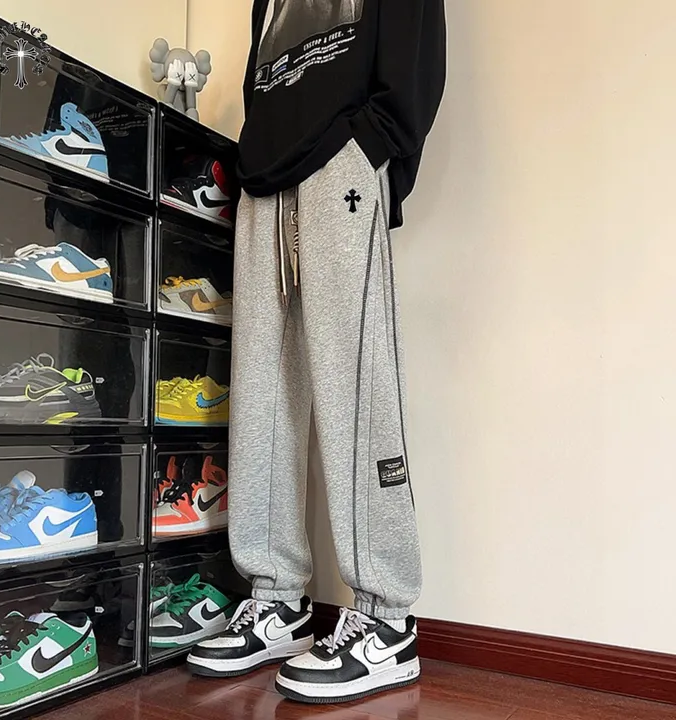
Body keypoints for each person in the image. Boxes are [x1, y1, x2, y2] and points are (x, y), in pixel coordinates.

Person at [187, 0, 447, 704]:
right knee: (262, 392)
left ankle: (387, 619)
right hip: (263, 181)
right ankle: (276, 599)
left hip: (344, 162)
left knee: (356, 383)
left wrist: (373, 142)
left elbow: (415, 54)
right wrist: (249, 162)